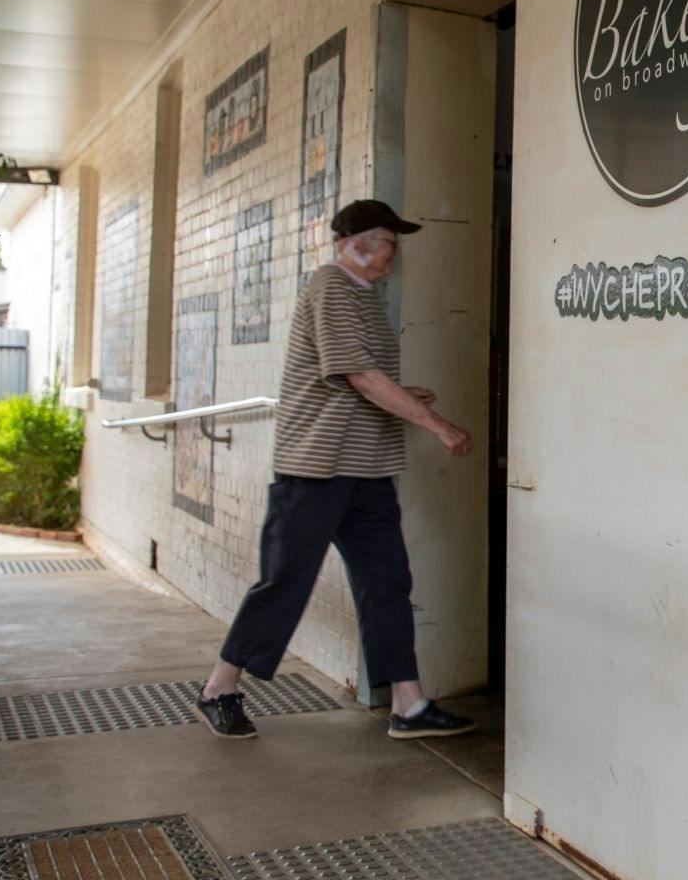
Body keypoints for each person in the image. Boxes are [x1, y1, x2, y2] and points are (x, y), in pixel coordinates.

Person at [194, 199, 478, 741]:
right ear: (359, 243)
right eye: (392, 241)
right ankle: (219, 688)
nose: (397, 252)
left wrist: (404, 397)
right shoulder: (331, 287)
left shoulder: (366, 297)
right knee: (285, 583)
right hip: (316, 468)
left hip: (367, 467)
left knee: (387, 584)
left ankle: (408, 705)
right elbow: (360, 378)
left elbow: (358, 378)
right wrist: (439, 425)